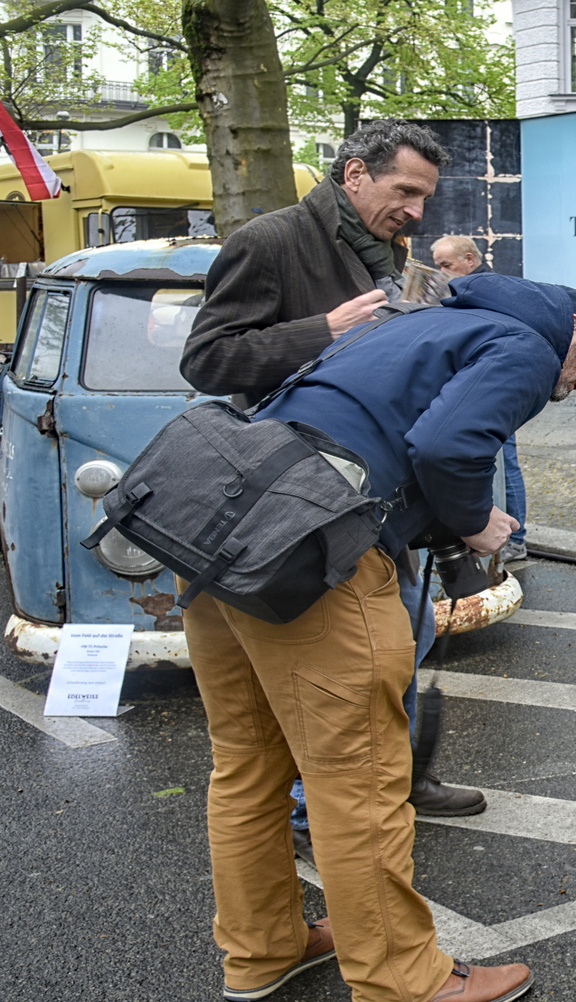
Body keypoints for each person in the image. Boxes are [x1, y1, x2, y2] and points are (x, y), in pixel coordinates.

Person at [188, 274, 576, 1002]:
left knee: (249, 765)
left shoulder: (413, 324)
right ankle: (398, 981)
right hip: (312, 544)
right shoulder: (529, 342)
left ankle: (263, 949)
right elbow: (447, 443)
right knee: (357, 778)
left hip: (215, 522)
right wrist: (475, 523)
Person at [179, 119, 488, 845]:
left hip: (379, 494)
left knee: (402, 636)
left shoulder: (393, 251)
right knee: (321, 668)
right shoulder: (271, 240)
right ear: (354, 175)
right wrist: (321, 330)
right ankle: (308, 804)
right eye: (405, 191)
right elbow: (207, 360)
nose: (417, 210)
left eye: (425, 197)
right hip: (294, 498)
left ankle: (403, 774)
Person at [431, 235, 526, 564]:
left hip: (490, 388)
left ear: (469, 259)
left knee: (505, 462)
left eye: (445, 264)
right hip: (484, 387)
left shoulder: (481, 291)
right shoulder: (479, 288)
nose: (440, 271)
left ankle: (515, 538)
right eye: (438, 265)